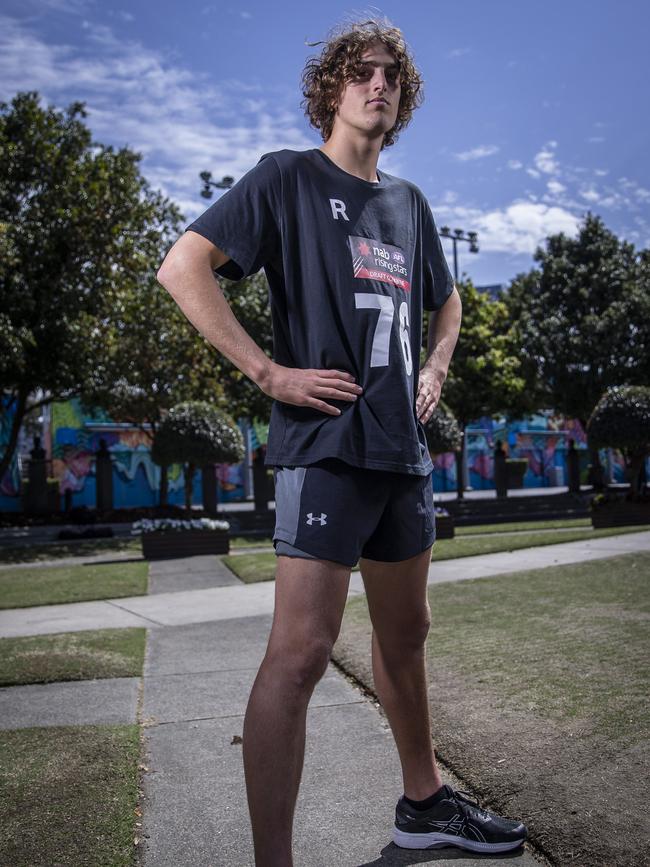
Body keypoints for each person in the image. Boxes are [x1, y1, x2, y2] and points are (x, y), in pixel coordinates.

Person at [157, 17, 527, 865]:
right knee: (300, 652)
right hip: (325, 449)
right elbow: (184, 265)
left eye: (391, 73)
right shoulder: (286, 179)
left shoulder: (409, 204)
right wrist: (268, 375)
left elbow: (448, 299)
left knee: (406, 636)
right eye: (361, 70)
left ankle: (425, 806)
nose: (379, 82)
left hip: (401, 452)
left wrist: (436, 364)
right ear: (330, 89)